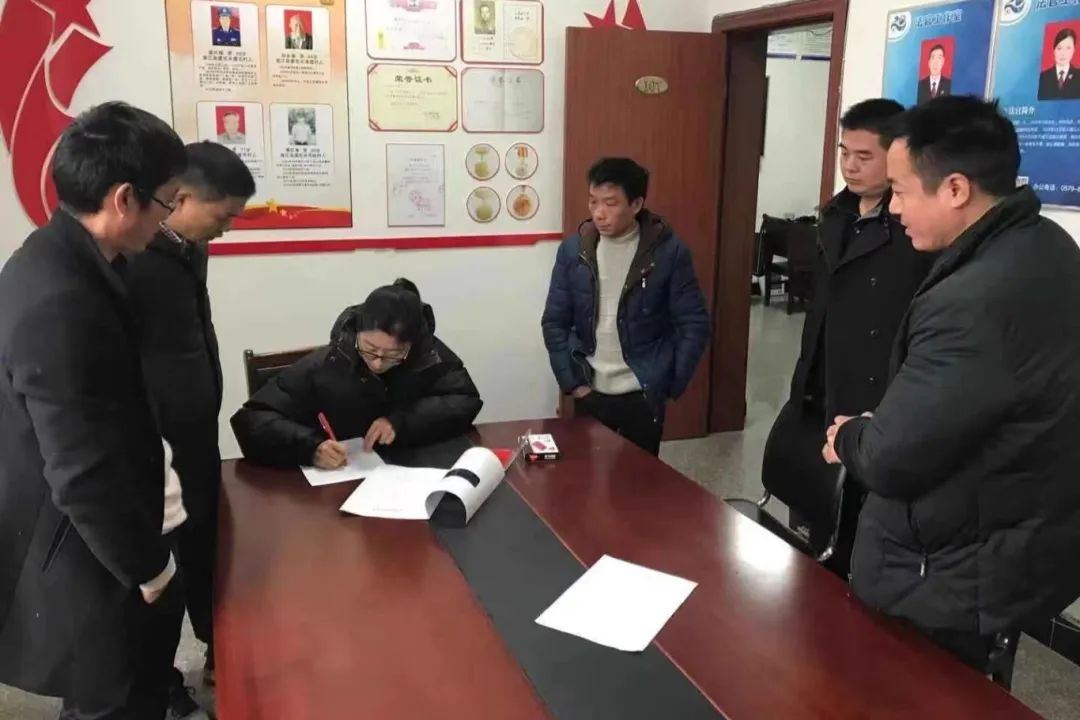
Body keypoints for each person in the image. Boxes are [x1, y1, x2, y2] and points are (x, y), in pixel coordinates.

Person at [823, 96, 1080, 675]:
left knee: (917, 691)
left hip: (951, 567)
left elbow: (891, 458)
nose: (893, 208)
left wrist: (850, 436)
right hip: (1012, 537)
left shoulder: (973, 300)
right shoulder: (1047, 244)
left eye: (901, 190)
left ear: (956, 189)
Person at [0, 102, 188, 719]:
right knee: (115, 701)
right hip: (88, 552)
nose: (168, 222)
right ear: (124, 199)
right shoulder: (61, 299)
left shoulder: (60, 258)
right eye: (167, 203)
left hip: (97, 535)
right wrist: (150, 569)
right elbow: (81, 472)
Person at [127, 141, 255, 715]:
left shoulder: (189, 247)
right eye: (223, 215)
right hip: (155, 449)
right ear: (179, 198)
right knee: (158, 575)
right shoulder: (132, 257)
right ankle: (157, 686)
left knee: (205, 553)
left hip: (196, 435)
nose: (227, 229)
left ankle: (213, 653)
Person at [786, 98, 936, 579]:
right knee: (814, 513)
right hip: (823, 378)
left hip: (876, 391)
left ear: (896, 156)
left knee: (859, 523)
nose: (849, 165)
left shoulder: (914, 226)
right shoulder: (836, 213)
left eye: (864, 156)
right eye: (844, 152)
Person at [541, 158, 710, 455]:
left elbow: (694, 323)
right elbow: (554, 321)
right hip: (590, 389)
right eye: (593, 201)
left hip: (641, 394)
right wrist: (573, 384)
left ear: (636, 204)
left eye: (610, 203)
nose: (599, 213)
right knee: (585, 474)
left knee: (639, 479)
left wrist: (670, 381)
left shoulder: (668, 253)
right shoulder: (573, 251)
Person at [231, 279, 483, 468]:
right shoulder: (328, 363)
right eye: (369, 349)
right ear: (356, 332)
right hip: (333, 488)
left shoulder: (428, 355)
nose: (378, 363)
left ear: (412, 345)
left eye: (393, 354)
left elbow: (465, 399)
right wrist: (310, 447)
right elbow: (251, 419)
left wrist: (400, 422)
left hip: (409, 475)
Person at [1038, 28, 1080, 101]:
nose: (1063, 53)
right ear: (1054, 50)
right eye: (1059, 48)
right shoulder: (1043, 77)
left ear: (1073, 50)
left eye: (1068, 48)